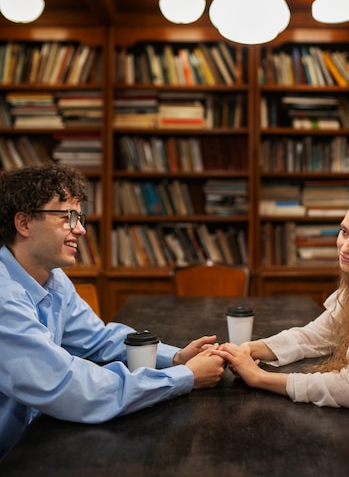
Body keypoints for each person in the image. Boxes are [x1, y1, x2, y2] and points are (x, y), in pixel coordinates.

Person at [0, 162, 225, 459]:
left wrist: (175, 357)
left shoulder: (52, 278)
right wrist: (184, 376)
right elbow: (73, 388)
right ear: (24, 223)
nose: (80, 229)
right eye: (67, 217)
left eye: (79, 217)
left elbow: (99, 340)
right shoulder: (4, 298)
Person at [218, 191, 349, 409]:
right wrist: (249, 349)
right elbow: (319, 334)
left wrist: (259, 378)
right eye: (344, 232)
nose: (345, 247)